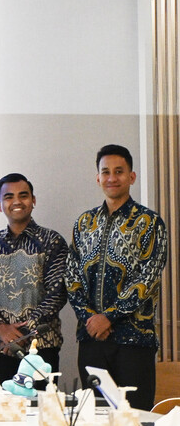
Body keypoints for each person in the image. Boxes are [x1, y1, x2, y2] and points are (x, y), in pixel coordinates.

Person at [67, 144, 168, 411]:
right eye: (106, 172)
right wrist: (90, 317)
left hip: (134, 341)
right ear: (97, 178)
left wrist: (109, 317)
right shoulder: (84, 223)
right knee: (93, 417)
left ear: (131, 177)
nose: (112, 178)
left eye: (119, 171)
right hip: (91, 338)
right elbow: (71, 276)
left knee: (134, 418)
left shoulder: (150, 222)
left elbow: (148, 278)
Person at [0, 174, 67, 382]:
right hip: (2, 347)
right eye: (9, 197)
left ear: (33, 201)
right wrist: (2, 329)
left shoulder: (52, 241)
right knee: (2, 402)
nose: (16, 201)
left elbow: (57, 294)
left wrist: (23, 334)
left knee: (41, 403)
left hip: (41, 347)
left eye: (23, 196)